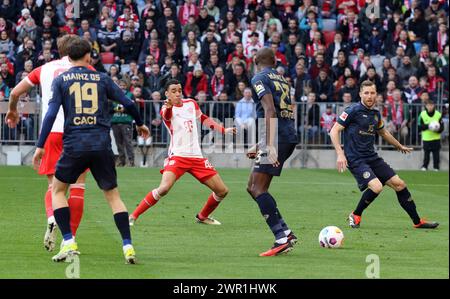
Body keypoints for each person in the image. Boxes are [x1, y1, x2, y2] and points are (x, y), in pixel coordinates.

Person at [31, 38, 150, 263]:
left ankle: (68, 241)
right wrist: (140, 123)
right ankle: (128, 246)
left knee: (57, 191)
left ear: (68, 57)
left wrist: (40, 146)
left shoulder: (62, 80)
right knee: (113, 197)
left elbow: (50, 114)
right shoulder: (102, 78)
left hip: (75, 144)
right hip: (101, 145)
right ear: (88, 57)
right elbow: (129, 103)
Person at [5, 35, 88, 252]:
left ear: (59, 50)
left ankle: (52, 217)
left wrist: (13, 110)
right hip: (79, 132)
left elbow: (14, 92)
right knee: (78, 187)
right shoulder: (87, 71)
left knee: (54, 187)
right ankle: (70, 239)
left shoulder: (44, 69)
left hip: (51, 133)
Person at [329, 80, 439, 229]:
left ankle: (417, 221)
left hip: (372, 157)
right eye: (366, 93)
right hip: (356, 158)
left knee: (399, 184)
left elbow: (383, 132)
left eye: (372, 93)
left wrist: (398, 145)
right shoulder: (352, 111)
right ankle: (355, 214)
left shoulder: (375, 114)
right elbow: (334, 130)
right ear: (360, 94)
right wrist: (340, 154)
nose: (369, 96)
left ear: (376, 95)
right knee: (376, 186)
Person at [129, 79, 236, 226]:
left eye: (179, 90)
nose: (178, 93)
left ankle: (202, 216)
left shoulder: (191, 103)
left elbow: (203, 118)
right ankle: (133, 216)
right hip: (178, 156)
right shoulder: (166, 109)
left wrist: (222, 130)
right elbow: (166, 116)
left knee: (222, 191)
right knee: (164, 188)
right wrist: (168, 107)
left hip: (197, 157)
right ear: (167, 93)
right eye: (173, 91)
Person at [246, 48, 299, 257]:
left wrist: (268, 144)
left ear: (255, 59)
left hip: (276, 139)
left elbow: (270, 110)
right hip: (285, 135)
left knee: (257, 188)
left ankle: (281, 237)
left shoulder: (259, 77)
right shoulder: (282, 79)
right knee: (253, 187)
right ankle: (285, 231)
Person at [418, 100, 444, 171]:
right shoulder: (422, 114)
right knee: (426, 154)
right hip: (426, 138)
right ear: (426, 106)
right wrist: (428, 126)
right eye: (428, 105)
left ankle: (436, 167)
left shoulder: (438, 114)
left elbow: (442, 127)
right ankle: (425, 166)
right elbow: (419, 126)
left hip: (436, 138)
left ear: (434, 106)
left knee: (436, 154)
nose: (430, 107)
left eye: (431, 105)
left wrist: (437, 130)